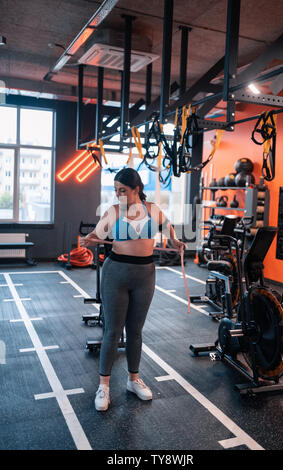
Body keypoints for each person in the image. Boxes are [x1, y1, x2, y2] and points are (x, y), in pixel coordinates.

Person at [80, 168, 186, 411]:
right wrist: (91, 238)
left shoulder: (153, 211)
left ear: (136, 189)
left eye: (123, 190)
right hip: (116, 273)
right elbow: (97, 234)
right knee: (112, 331)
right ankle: (104, 386)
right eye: (116, 190)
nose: (118, 195)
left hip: (145, 275)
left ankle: (133, 380)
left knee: (135, 330)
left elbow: (168, 230)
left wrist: (176, 241)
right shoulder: (115, 211)